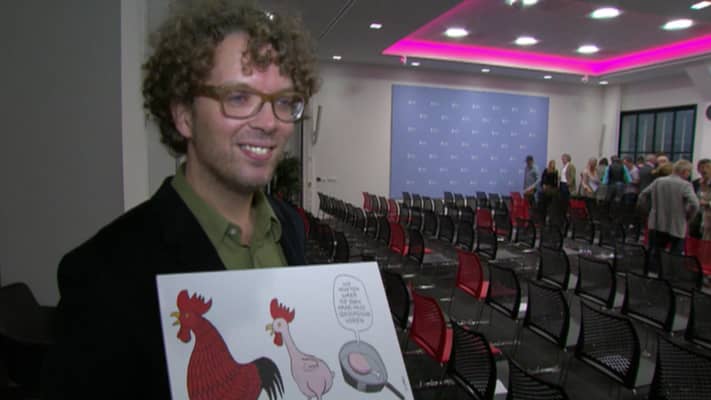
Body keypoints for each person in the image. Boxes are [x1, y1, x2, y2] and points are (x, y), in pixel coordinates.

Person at [42, 2, 319, 398]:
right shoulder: (102, 272)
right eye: (239, 97)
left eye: (285, 101)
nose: (270, 122)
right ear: (184, 116)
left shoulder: (290, 225)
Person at [638, 160, 699, 274]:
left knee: (655, 254)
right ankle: (669, 276)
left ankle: (654, 277)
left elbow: (642, 196)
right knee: (674, 255)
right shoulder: (685, 185)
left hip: (656, 223)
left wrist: (649, 211)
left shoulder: (658, 181)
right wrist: (688, 217)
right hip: (677, 225)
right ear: (685, 171)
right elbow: (695, 204)